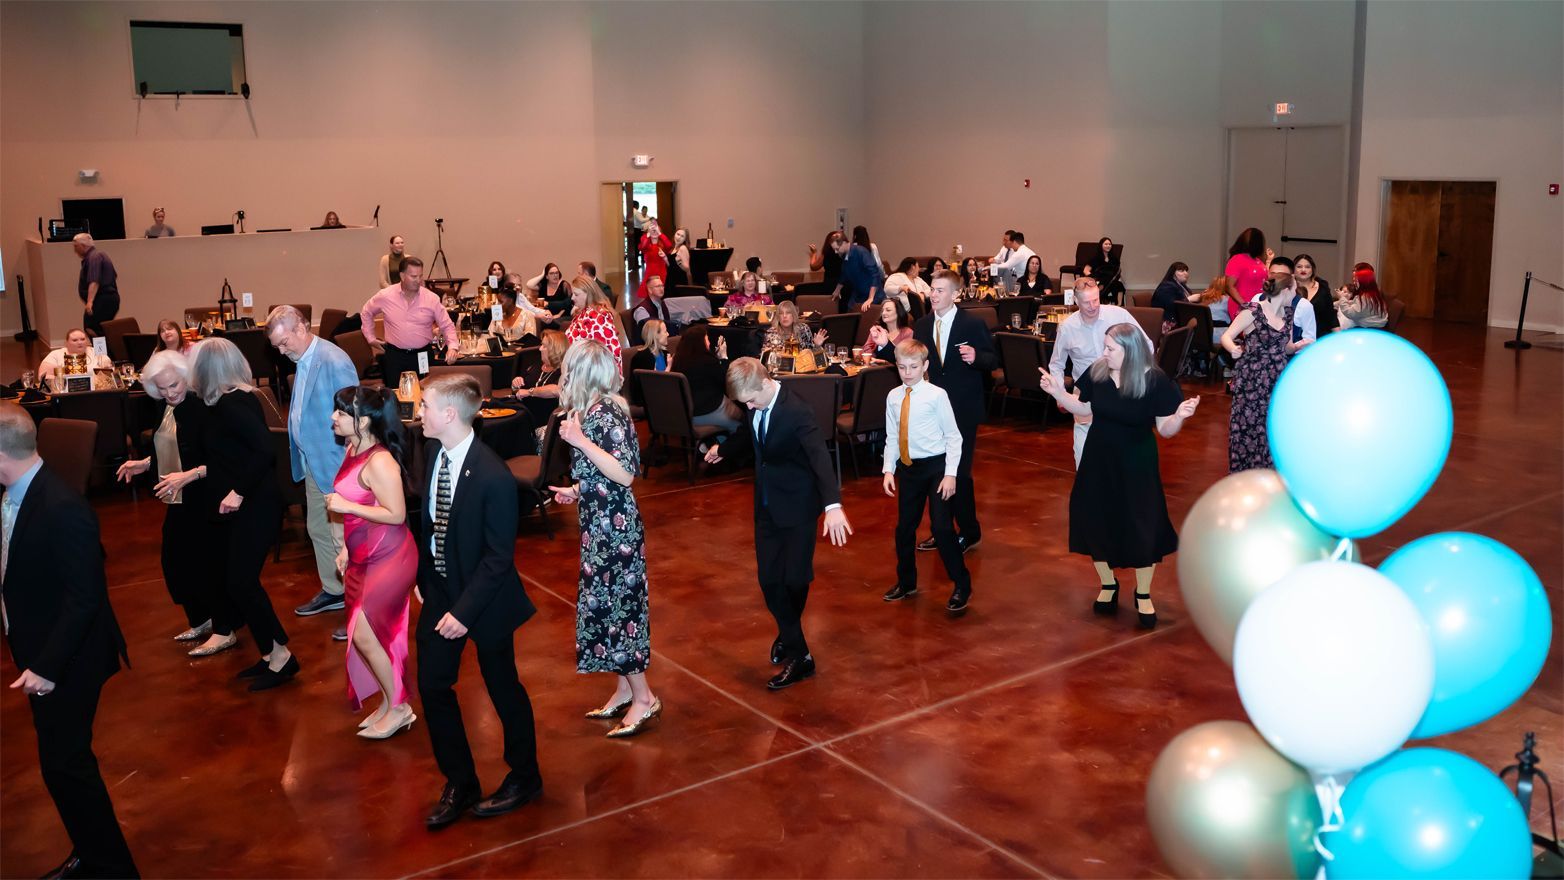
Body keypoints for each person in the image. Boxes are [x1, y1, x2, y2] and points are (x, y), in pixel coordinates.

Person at [0, 404, 139, 880]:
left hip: (67, 661)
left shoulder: (62, 508)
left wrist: (47, 668)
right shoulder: (19, 492)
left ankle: (112, 868)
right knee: (60, 765)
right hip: (42, 651)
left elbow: (86, 601)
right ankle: (90, 854)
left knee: (67, 765)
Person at [413, 374, 543, 829]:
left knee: (502, 686)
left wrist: (463, 613)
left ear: (450, 414)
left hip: (483, 602)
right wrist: (425, 579)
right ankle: (461, 782)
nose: (418, 412)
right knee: (432, 685)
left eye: (425, 405)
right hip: (441, 592)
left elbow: (497, 560)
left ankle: (526, 777)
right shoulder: (431, 452)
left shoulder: (493, 476)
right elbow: (429, 524)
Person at [703, 359, 852, 689]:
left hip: (798, 507)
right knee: (770, 580)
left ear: (764, 383)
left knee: (796, 580)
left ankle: (788, 634)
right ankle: (800, 654)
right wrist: (722, 450)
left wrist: (833, 504)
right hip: (767, 504)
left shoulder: (797, 410)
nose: (750, 407)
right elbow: (749, 433)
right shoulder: (755, 403)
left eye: (751, 401)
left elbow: (818, 456)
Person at [1039, 323, 1200, 629]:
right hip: (1099, 457)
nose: (1104, 353)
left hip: (1136, 461)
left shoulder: (1155, 380)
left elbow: (1165, 431)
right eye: (1105, 346)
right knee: (1095, 520)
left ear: (1131, 350)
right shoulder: (1098, 371)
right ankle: (1108, 584)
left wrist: (1179, 417)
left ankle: (1143, 592)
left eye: (1111, 348)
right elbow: (1084, 409)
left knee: (1141, 524)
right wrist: (1057, 392)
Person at [546, 342, 660, 736]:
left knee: (620, 611)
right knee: (603, 610)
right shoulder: (592, 412)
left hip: (617, 531)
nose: (563, 376)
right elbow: (601, 476)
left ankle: (644, 697)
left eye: (569, 370)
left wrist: (580, 441)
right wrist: (576, 491)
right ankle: (624, 690)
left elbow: (626, 474)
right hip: (598, 525)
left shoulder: (607, 414)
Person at [190, 339, 297, 688]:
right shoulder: (228, 401)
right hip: (246, 505)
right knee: (238, 582)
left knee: (241, 582)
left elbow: (265, 450)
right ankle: (272, 654)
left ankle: (280, 657)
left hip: (256, 504)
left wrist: (237, 493)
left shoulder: (233, 403)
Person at [324, 386, 419, 739]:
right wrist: (348, 549)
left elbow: (395, 514)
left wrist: (346, 508)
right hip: (364, 553)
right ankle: (388, 700)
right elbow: (363, 504)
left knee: (364, 634)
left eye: (340, 413)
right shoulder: (353, 448)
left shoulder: (379, 460)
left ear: (362, 421)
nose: (332, 418)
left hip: (390, 555)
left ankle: (399, 707)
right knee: (370, 634)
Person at [115, 350, 226, 644]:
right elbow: (170, 447)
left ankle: (224, 629)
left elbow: (219, 460)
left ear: (186, 379)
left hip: (203, 496)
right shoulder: (164, 407)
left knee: (205, 565)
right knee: (175, 564)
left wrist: (188, 475)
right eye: (161, 389)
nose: (169, 393)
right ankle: (202, 620)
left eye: (174, 386)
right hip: (177, 498)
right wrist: (144, 464)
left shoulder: (201, 408)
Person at [267, 306, 358, 632]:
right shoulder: (302, 360)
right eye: (277, 346)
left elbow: (354, 418)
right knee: (318, 529)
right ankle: (334, 591)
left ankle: (358, 610)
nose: (281, 350)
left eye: (284, 342)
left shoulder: (333, 360)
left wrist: (348, 468)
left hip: (335, 466)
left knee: (342, 541)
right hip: (313, 464)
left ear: (302, 327)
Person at [881, 339, 971, 612]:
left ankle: (962, 584)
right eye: (902, 367)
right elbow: (892, 436)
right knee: (904, 530)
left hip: (937, 469)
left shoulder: (936, 395)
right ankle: (906, 582)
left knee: (942, 528)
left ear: (925, 366)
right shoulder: (894, 396)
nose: (907, 372)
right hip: (910, 470)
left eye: (913, 367)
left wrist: (951, 474)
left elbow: (954, 437)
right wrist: (888, 468)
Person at [912, 270, 997, 554]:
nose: (933, 295)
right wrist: (888, 345)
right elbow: (911, 359)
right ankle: (942, 529)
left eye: (939, 290)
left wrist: (976, 358)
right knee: (937, 472)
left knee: (958, 472)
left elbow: (993, 359)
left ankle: (970, 531)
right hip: (932, 411)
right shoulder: (922, 325)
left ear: (955, 294)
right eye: (932, 290)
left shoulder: (972, 324)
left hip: (963, 409)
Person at [1047, 278, 1155, 467]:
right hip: (1086, 394)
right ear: (1076, 302)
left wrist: (1133, 373)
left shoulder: (1119, 315)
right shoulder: (1067, 328)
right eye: (1086, 302)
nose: (1092, 306)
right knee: (1083, 456)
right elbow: (1056, 364)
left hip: (1121, 390)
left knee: (1121, 454)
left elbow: (1147, 346)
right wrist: (1060, 393)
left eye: (1095, 300)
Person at [1222, 258, 1310, 473]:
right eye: (1295, 291)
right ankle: (1246, 473)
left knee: (1272, 427)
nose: (1296, 295)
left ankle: (1268, 472)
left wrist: (1298, 345)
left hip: (1276, 377)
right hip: (1253, 379)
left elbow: (1285, 347)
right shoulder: (1253, 310)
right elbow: (1227, 335)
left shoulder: (1287, 315)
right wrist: (1232, 348)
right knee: (1250, 426)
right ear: (1286, 290)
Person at [361, 256, 461, 381]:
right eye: (413, 276)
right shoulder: (385, 296)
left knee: (425, 393)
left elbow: (446, 325)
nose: (418, 280)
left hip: (422, 355)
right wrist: (370, 338)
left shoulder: (431, 298)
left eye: (420, 276)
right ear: (402, 276)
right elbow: (366, 312)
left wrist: (452, 347)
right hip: (395, 356)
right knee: (396, 395)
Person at [672, 325, 738, 434]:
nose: (709, 343)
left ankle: (712, 442)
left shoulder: (678, 361)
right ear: (700, 342)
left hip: (685, 415)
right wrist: (724, 358)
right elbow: (726, 381)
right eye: (707, 339)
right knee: (741, 425)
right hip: (708, 411)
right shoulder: (708, 362)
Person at [510, 329, 567, 428]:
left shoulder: (564, 371)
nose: (540, 349)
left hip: (543, 422)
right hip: (523, 415)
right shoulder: (536, 364)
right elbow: (518, 390)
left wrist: (529, 392)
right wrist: (515, 385)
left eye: (544, 346)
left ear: (555, 349)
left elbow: (557, 390)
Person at [564, 275, 624, 360]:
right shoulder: (584, 312)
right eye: (573, 294)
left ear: (589, 295)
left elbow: (606, 355)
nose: (572, 297)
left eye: (576, 294)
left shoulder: (599, 317)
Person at [73, 234, 120, 336]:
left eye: (76, 246)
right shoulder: (99, 255)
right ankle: (104, 351)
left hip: (101, 299)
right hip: (107, 298)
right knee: (100, 329)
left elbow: (94, 280)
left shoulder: (94, 257)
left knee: (94, 329)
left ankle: (102, 351)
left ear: (83, 245)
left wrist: (90, 301)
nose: (75, 250)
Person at [38, 328, 114, 390]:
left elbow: (109, 372)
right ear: (66, 343)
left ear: (87, 341)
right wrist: (65, 382)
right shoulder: (56, 354)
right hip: (65, 393)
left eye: (82, 339)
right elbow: (43, 377)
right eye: (75, 340)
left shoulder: (96, 351)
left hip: (94, 392)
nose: (80, 342)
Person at [1223, 227, 1273, 321]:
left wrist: (1269, 261)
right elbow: (1229, 286)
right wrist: (1245, 305)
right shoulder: (1237, 259)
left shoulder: (1258, 261)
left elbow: (1266, 280)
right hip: (1242, 305)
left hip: (1259, 306)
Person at [831, 233, 885, 313]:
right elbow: (844, 274)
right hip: (858, 294)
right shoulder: (844, 255)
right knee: (850, 314)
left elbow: (875, 274)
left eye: (837, 249)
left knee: (866, 319)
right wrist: (837, 290)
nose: (836, 252)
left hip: (873, 295)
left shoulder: (861, 252)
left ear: (844, 243)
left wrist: (870, 298)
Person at [627, 319, 670, 407]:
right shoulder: (642, 358)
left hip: (663, 396)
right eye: (665, 332)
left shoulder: (665, 353)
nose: (668, 334)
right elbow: (646, 389)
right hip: (648, 400)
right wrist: (669, 367)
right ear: (656, 335)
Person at [1294, 254, 1339, 336]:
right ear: (1293, 269)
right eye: (1299, 266)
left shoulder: (1323, 287)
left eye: (1307, 267)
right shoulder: (1287, 288)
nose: (1303, 269)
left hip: (1320, 336)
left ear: (1313, 269)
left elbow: (1330, 315)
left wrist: (1340, 336)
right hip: (1294, 337)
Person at [1335, 262, 1389, 329]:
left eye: (1356, 281)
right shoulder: (1372, 293)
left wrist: (1342, 298)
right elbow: (1354, 303)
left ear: (1363, 281)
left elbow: (1351, 313)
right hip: (1374, 327)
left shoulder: (1366, 297)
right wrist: (1335, 303)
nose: (1354, 283)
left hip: (1371, 330)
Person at [1149, 261, 1194, 335]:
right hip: (1168, 321)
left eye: (1186, 270)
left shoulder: (1181, 286)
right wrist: (1189, 299)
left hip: (1179, 317)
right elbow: (1170, 306)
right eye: (1181, 271)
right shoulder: (1167, 286)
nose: (1186, 273)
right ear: (1173, 273)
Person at [637, 218, 672, 299]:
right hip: (649, 272)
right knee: (648, 295)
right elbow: (643, 247)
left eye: (656, 230)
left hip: (662, 271)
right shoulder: (645, 240)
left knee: (661, 294)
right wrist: (648, 234)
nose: (654, 231)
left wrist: (660, 233)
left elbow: (669, 246)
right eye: (652, 230)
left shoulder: (662, 242)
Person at [628, 200, 646, 267]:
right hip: (637, 231)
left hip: (633, 230)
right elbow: (641, 220)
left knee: (634, 247)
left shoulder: (630, 212)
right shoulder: (636, 212)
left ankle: (634, 263)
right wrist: (650, 219)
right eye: (638, 205)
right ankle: (635, 264)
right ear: (636, 205)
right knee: (637, 247)